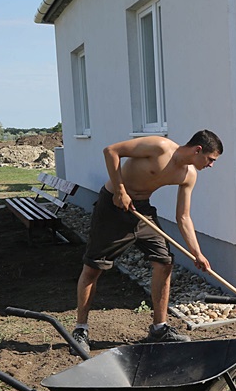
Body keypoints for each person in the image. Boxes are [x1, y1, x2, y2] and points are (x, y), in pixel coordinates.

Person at [72, 130, 223, 351]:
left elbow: (183, 216)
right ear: (198, 150)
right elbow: (111, 151)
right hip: (113, 206)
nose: (211, 165)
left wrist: (197, 253)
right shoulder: (160, 147)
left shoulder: (189, 175)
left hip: (142, 212)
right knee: (94, 267)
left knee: (164, 262)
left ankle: (159, 329)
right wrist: (121, 190)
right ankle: (80, 329)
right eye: (211, 159)